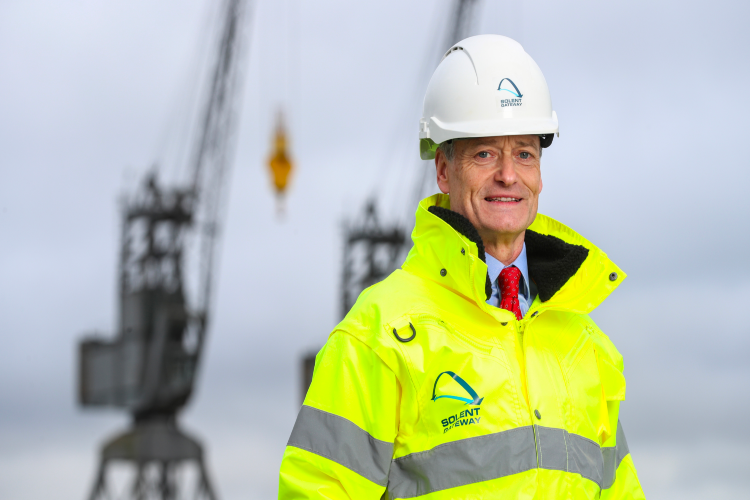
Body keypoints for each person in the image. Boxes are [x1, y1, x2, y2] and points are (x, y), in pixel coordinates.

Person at [278, 35, 646, 499]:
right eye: (485, 153)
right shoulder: (378, 335)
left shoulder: (586, 347)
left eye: (525, 153)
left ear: (539, 173)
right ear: (444, 171)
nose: (508, 175)